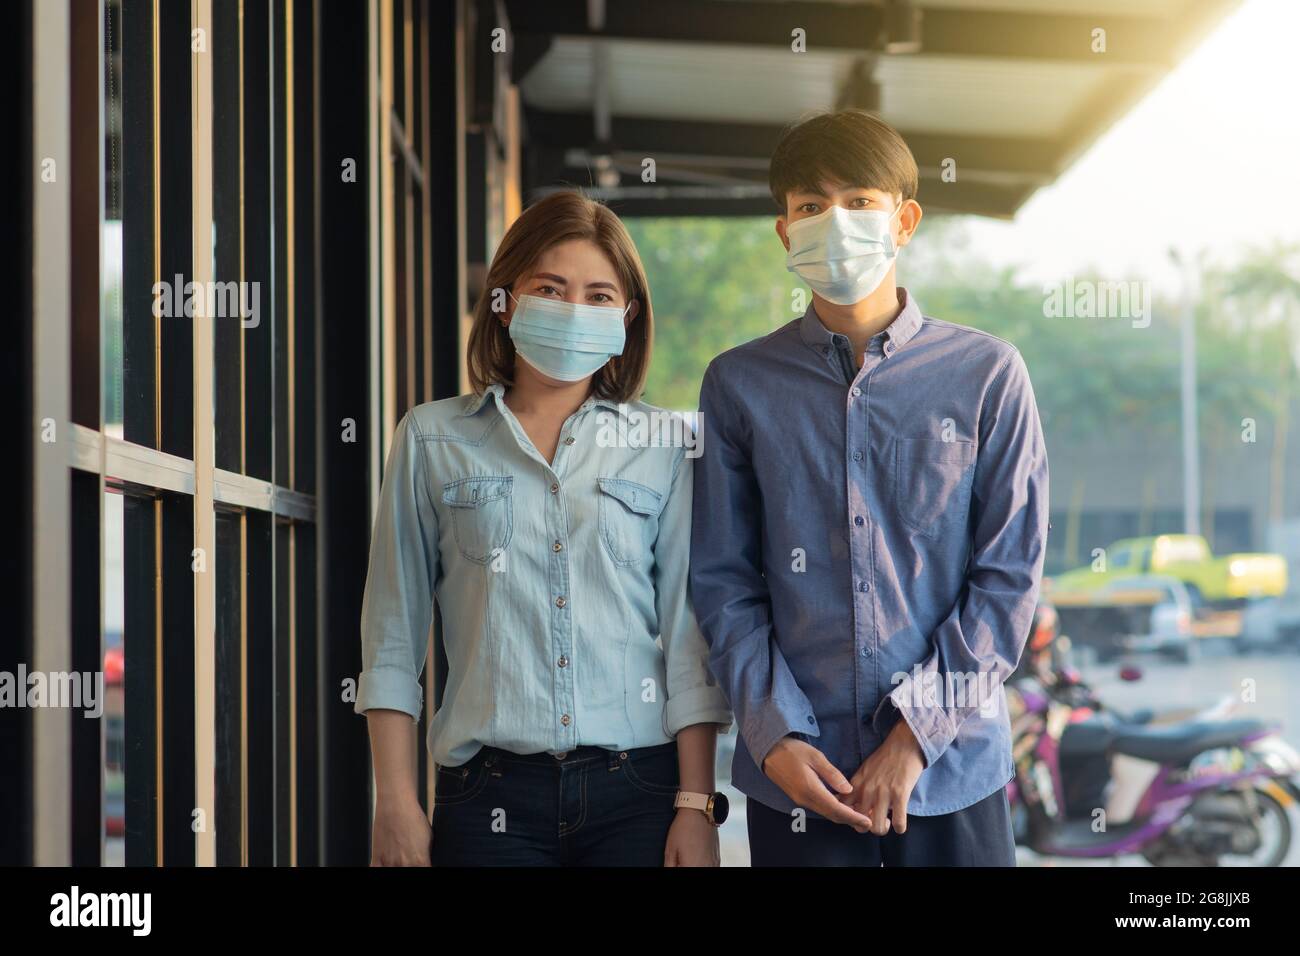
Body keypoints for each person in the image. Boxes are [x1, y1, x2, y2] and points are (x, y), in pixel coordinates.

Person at [690, 109, 1049, 866]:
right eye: (810, 207)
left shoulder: (987, 375)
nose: (835, 222)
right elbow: (723, 580)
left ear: (904, 220)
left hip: (952, 774)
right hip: (800, 780)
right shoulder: (738, 384)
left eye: (858, 201)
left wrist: (913, 736)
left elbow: (1007, 578)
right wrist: (774, 732)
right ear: (785, 233)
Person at [357, 190, 731, 867]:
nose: (573, 310)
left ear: (627, 317)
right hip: (486, 796)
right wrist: (394, 800)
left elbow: (688, 639)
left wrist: (697, 805)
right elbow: (392, 637)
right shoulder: (430, 439)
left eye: (597, 296)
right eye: (550, 288)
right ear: (504, 299)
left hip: (638, 792)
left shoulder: (666, 446)